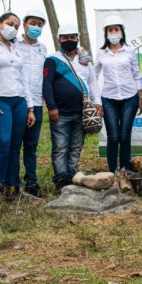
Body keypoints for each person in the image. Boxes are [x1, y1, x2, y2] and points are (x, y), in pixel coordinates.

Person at [42, 23, 101, 192]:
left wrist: (97, 102)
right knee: (60, 148)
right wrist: (51, 107)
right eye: (65, 37)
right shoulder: (52, 60)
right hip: (60, 113)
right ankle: (61, 181)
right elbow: (47, 84)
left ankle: (72, 176)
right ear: (59, 39)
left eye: (72, 37)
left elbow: (92, 82)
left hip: (81, 113)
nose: (69, 40)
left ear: (77, 38)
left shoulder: (85, 60)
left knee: (75, 147)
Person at [0, 12, 34, 199]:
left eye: (16, 26)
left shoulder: (16, 49)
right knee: (3, 143)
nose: (13, 28)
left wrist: (30, 108)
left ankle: (13, 185)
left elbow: (24, 79)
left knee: (15, 145)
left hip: (19, 101)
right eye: (9, 24)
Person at [95, 15, 142, 191]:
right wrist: (94, 99)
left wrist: (140, 97)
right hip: (108, 98)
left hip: (129, 98)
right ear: (106, 34)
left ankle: (123, 172)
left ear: (122, 32)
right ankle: (112, 173)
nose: (113, 33)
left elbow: (136, 74)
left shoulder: (129, 51)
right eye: (110, 30)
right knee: (113, 137)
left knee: (124, 136)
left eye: (116, 29)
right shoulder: (101, 53)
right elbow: (94, 75)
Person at [16, 9, 48, 197]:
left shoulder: (42, 49)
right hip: (17, 100)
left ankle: (31, 181)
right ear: (24, 24)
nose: (35, 27)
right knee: (13, 143)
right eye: (32, 23)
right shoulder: (14, 44)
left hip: (36, 101)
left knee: (31, 144)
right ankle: (12, 180)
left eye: (39, 24)